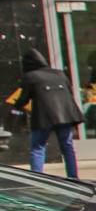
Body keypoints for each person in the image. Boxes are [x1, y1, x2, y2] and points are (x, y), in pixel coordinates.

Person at [13, 48, 85, 177]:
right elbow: (69, 92)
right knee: (67, 147)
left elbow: (23, 98)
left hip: (43, 117)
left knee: (37, 147)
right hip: (65, 116)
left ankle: (38, 178)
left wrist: (15, 108)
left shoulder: (30, 76)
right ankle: (73, 177)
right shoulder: (59, 74)